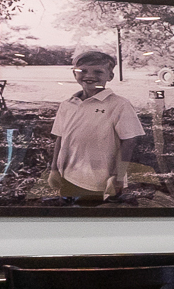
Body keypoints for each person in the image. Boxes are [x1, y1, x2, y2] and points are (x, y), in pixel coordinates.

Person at [49, 49, 148, 201]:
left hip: (102, 181)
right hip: (67, 176)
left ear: (110, 76)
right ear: (74, 73)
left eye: (98, 72)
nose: (89, 76)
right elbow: (60, 138)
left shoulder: (119, 105)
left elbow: (129, 142)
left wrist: (118, 176)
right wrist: (54, 170)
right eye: (82, 71)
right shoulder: (67, 104)